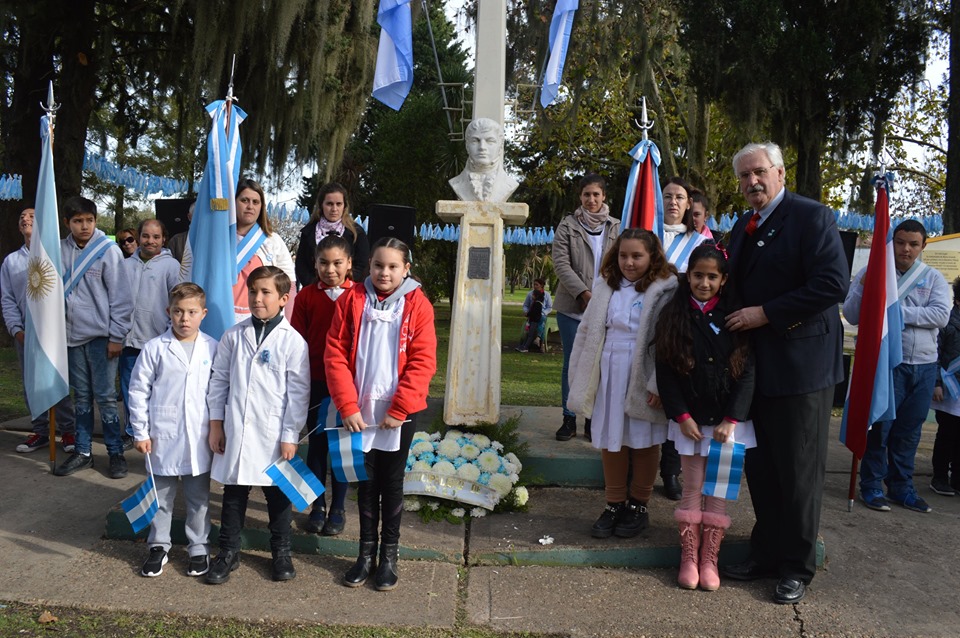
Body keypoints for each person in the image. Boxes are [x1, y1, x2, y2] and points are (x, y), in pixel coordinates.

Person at [721, 142, 849, 605]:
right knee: (762, 468)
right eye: (743, 176)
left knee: (798, 472)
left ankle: (797, 565)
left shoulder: (812, 217)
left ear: (779, 173)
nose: (751, 182)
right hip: (754, 369)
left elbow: (833, 284)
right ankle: (767, 552)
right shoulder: (741, 225)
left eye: (758, 172)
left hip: (802, 369)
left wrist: (766, 314)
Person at [326, 237, 437, 591]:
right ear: (368, 267)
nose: (384, 272)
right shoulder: (351, 299)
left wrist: (400, 407)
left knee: (391, 483)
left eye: (392, 266)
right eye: (378, 265)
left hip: (397, 413)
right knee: (365, 482)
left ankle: (389, 556)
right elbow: (335, 354)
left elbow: (423, 361)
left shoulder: (418, 305)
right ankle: (365, 554)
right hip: (359, 411)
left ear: (407, 269)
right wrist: (347, 405)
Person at [655, 244, 756, 591]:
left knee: (719, 494)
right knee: (692, 490)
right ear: (688, 277)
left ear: (723, 280)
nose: (704, 282)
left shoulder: (735, 318)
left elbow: (748, 373)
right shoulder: (673, 315)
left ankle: (709, 557)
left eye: (712, 277)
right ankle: (688, 557)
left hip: (727, 426)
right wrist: (681, 416)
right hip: (691, 425)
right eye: (698, 275)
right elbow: (665, 372)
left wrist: (732, 419)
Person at [567, 228, 678, 540]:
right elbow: (587, 331)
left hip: (642, 370)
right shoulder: (605, 286)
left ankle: (639, 505)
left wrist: (658, 383)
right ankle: (614, 502)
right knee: (610, 437)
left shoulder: (665, 288)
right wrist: (579, 373)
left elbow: (669, 341)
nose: (629, 262)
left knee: (643, 439)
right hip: (608, 368)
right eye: (623, 255)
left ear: (652, 257)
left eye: (637, 256)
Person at [205, 266, 310, 585]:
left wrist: (291, 435)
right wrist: (216, 424)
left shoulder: (293, 342)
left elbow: (298, 393)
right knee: (234, 492)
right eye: (252, 291)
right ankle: (228, 551)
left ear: (283, 298)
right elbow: (219, 380)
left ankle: (281, 552)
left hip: (274, 434)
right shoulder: (233, 335)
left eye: (265, 292)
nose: (257, 298)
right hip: (236, 429)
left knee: (278, 494)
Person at [844, 219, 950, 513]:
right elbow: (853, 314)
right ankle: (872, 485)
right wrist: (867, 289)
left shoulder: (933, 278)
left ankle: (902, 487)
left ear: (923, 246)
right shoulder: (873, 273)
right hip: (888, 363)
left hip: (925, 365)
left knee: (910, 431)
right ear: (892, 243)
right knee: (880, 426)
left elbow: (940, 316)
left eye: (913, 244)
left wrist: (890, 309)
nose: (906, 249)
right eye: (901, 242)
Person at [129, 283, 218, 578]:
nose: (184, 319)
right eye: (178, 311)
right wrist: (140, 431)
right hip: (161, 437)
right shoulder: (155, 348)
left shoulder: (212, 347)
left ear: (203, 314)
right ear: (168, 311)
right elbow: (138, 391)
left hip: (199, 437)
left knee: (198, 499)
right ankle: (158, 545)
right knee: (162, 497)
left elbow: (218, 392)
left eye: (192, 312)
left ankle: (198, 546)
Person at [54, 196, 134, 479]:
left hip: (102, 337)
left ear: (95, 220)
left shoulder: (108, 251)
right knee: (82, 398)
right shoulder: (58, 250)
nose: (84, 226)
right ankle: (83, 451)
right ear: (67, 223)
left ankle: (115, 452)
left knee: (106, 397)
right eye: (77, 221)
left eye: (88, 220)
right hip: (71, 337)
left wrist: (116, 336)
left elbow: (121, 299)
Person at [290, 234, 355, 536]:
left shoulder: (358, 296)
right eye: (324, 263)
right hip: (314, 381)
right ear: (314, 264)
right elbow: (297, 341)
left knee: (342, 447)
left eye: (337, 263)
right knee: (316, 445)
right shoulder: (305, 297)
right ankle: (317, 505)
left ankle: (339, 507)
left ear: (349, 264)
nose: (330, 269)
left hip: (345, 384)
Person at [552, 173, 621, 442]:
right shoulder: (567, 226)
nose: (591, 199)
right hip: (573, 307)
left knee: (600, 364)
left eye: (596, 194)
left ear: (604, 196)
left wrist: (602, 297)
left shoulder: (616, 226)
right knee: (572, 363)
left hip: (606, 308)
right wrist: (583, 293)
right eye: (586, 195)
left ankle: (593, 420)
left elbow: (622, 262)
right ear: (579, 197)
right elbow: (561, 263)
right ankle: (569, 419)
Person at [3, 208, 76, 453]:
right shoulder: (11, 261)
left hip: (55, 331)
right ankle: (41, 430)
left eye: (32, 216)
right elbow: (7, 299)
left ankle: (67, 431)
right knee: (32, 382)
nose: (25, 219)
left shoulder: (57, 256)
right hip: (26, 334)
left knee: (57, 378)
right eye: (21, 216)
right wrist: (16, 330)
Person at [659, 177, 711, 500]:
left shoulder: (701, 243)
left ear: (689, 203)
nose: (673, 202)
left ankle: (669, 470)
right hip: (646, 325)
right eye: (667, 196)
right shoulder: (648, 233)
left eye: (680, 197)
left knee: (676, 397)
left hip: (682, 327)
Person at [119, 219, 180, 449]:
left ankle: (157, 430)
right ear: (138, 237)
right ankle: (133, 431)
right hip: (129, 341)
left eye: (156, 237)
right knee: (130, 389)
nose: (150, 241)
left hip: (157, 340)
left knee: (158, 390)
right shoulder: (125, 265)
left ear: (163, 239)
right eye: (145, 236)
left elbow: (177, 299)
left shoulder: (171, 266)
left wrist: (169, 331)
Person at [232, 178, 296, 324]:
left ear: (262, 206)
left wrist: (288, 323)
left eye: (255, 202)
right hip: (224, 316)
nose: (250, 206)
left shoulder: (273, 241)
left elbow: (289, 287)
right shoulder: (219, 240)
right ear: (234, 203)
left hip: (261, 319)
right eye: (244, 200)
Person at [295, 182, 369, 287]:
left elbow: (362, 265)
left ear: (344, 206)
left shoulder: (356, 233)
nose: (334, 209)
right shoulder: (309, 232)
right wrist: (315, 287)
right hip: (315, 293)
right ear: (321, 205)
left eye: (339, 204)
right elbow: (301, 265)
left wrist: (343, 286)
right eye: (329, 204)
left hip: (348, 293)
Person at [931, 276, 960, 496]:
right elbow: (937, 354)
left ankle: (957, 478)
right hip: (949, 391)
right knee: (947, 435)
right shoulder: (948, 323)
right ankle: (939, 476)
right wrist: (937, 384)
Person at [448, 118, 519, 202]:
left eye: (490, 141)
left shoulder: (509, 183)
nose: (482, 147)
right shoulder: (456, 183)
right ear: (467, 146)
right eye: (475, 141)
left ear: (500, 147)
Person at [516, 277, 552, 353]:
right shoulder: (530, 294)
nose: (535, 286)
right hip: (532, 315)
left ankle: (537, 342)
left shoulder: (547, 295)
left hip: (542, 315)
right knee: (538, 325)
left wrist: (544, 313)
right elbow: (526, 305)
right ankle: (537, 341)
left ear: (541, 285)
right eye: (534, 284)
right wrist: (526, 312)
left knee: (541, 321)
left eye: (537, 285)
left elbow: (549, 307)